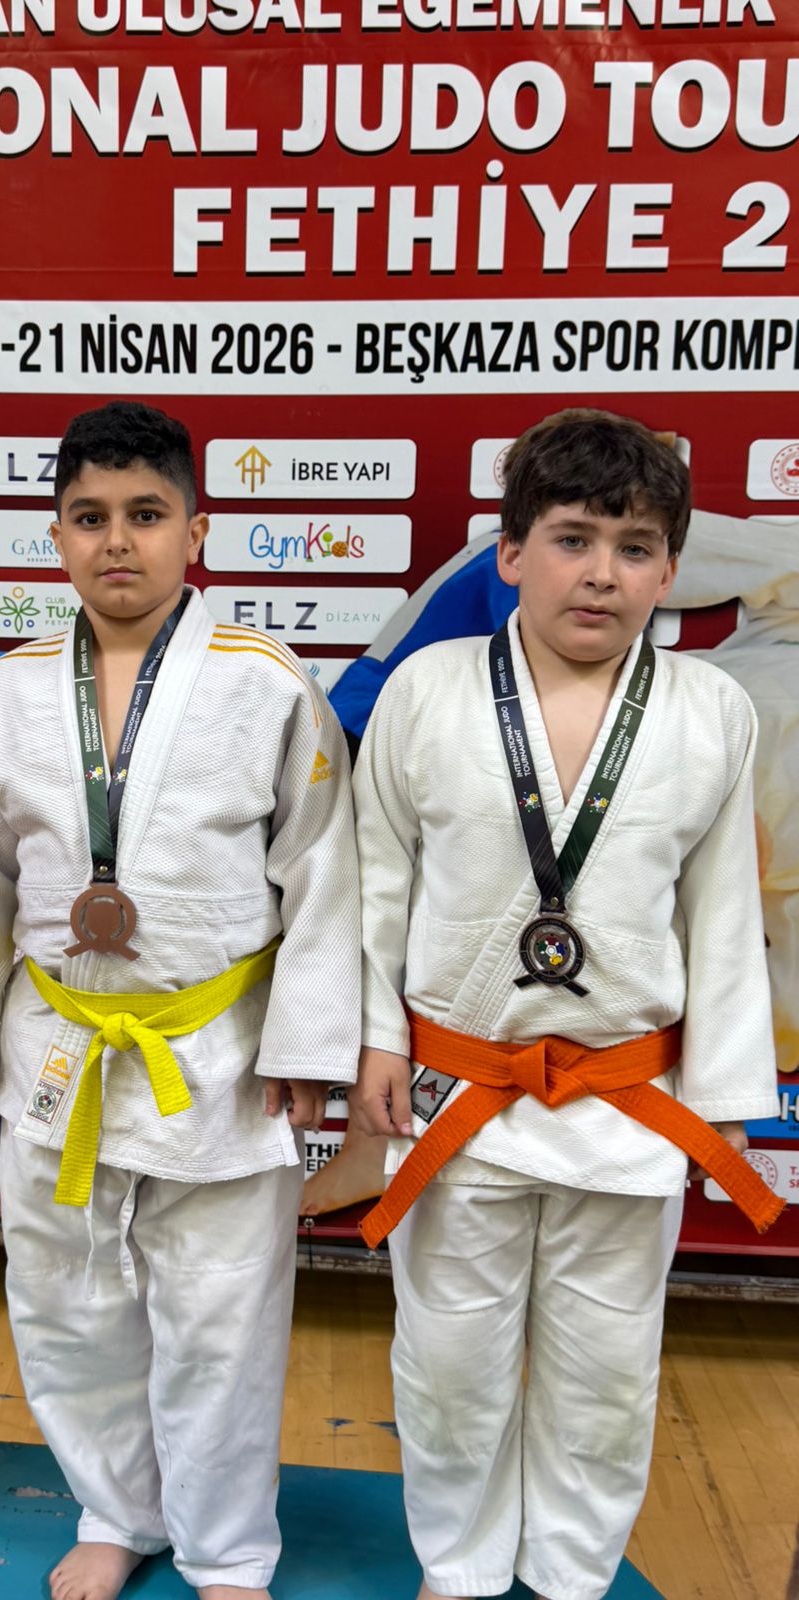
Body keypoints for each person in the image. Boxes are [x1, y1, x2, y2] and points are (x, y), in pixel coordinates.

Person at [0, 400, 360, 1600]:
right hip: (57, 1043)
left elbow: (325, 874)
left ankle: (226, 1546)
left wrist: (310, 1042)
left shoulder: (268, 684)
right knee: (67, 1302)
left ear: (196, 531)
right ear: (56, 535)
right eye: (89, 516)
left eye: (147, 514)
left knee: (222, 1316)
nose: (118, 540)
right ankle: (117, 1510)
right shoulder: (3, 693)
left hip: (220, 1051)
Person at [350, 408, 780, 1600]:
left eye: (636, 548)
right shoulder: (428, 690)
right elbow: (377, 880)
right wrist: (375, 1036)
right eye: (573, 539)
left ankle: (573, 1575)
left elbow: (724, 915)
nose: (602, 573)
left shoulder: (710, 708)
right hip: (459, 1090)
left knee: (605, 1373)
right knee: (450, 1363)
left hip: (629, 1100)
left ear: (672, 572)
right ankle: (461, 1567)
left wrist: (725, 1095)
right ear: (509, 552)